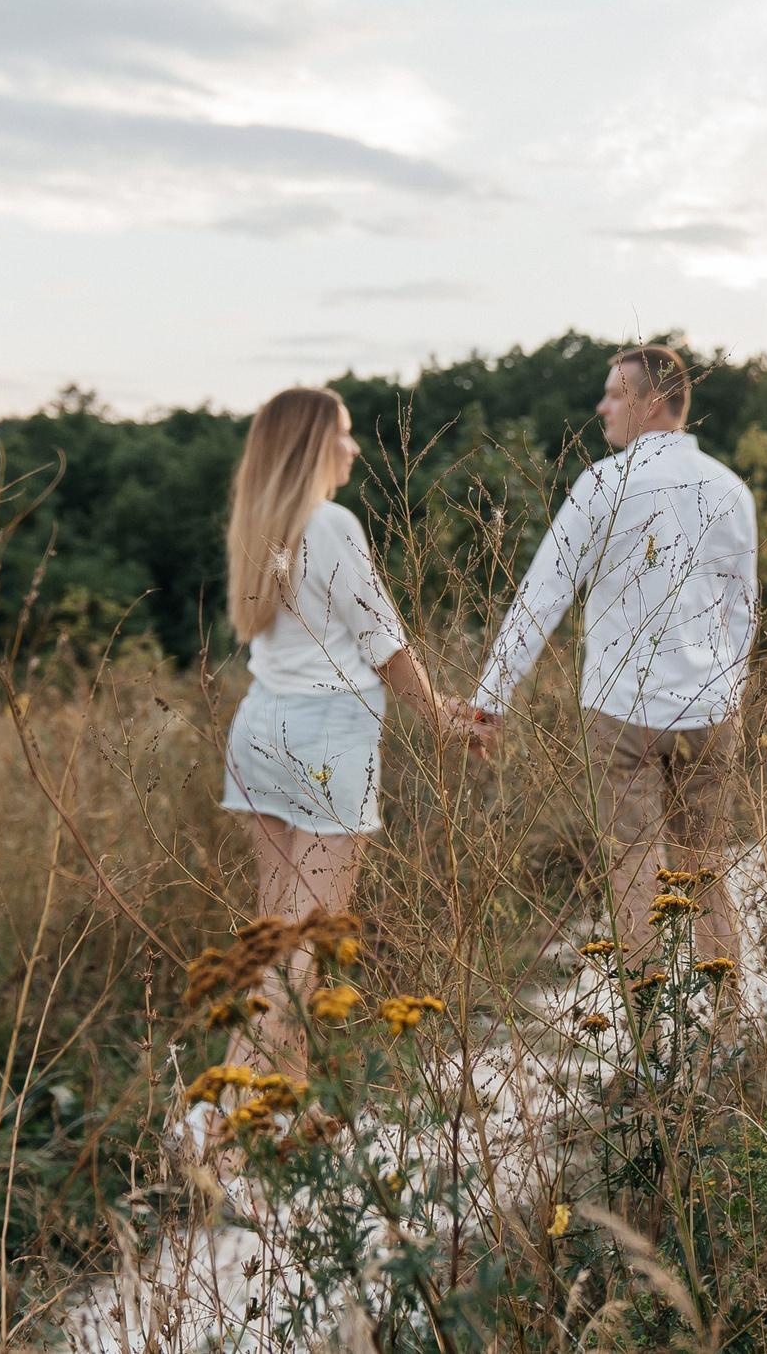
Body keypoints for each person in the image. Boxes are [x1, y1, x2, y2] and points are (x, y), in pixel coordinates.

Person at [215, 386, 488, 1084]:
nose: (353, 446)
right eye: (341, 433)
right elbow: (381, 638)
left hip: (261, 730)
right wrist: (436, 716)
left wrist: (438, 705)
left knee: (275, 938)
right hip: (326, 736)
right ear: (310, 444)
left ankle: (272, 1123)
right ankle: (215, 1130)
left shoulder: (259, 524)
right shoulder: (330, 521)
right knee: (306, 945)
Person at [475, 345, 759, 975]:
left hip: (622, 713)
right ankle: (727, 1044)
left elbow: (543, 596)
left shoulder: (602, 484)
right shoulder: (730, 488)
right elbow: (744, 610)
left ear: (651, 402)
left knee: (631, 868)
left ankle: (652, 1050)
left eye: (613, 393)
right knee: (704, 867)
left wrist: (490, 701)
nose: (601, 406)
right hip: (709, 711)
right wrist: (727, 689)